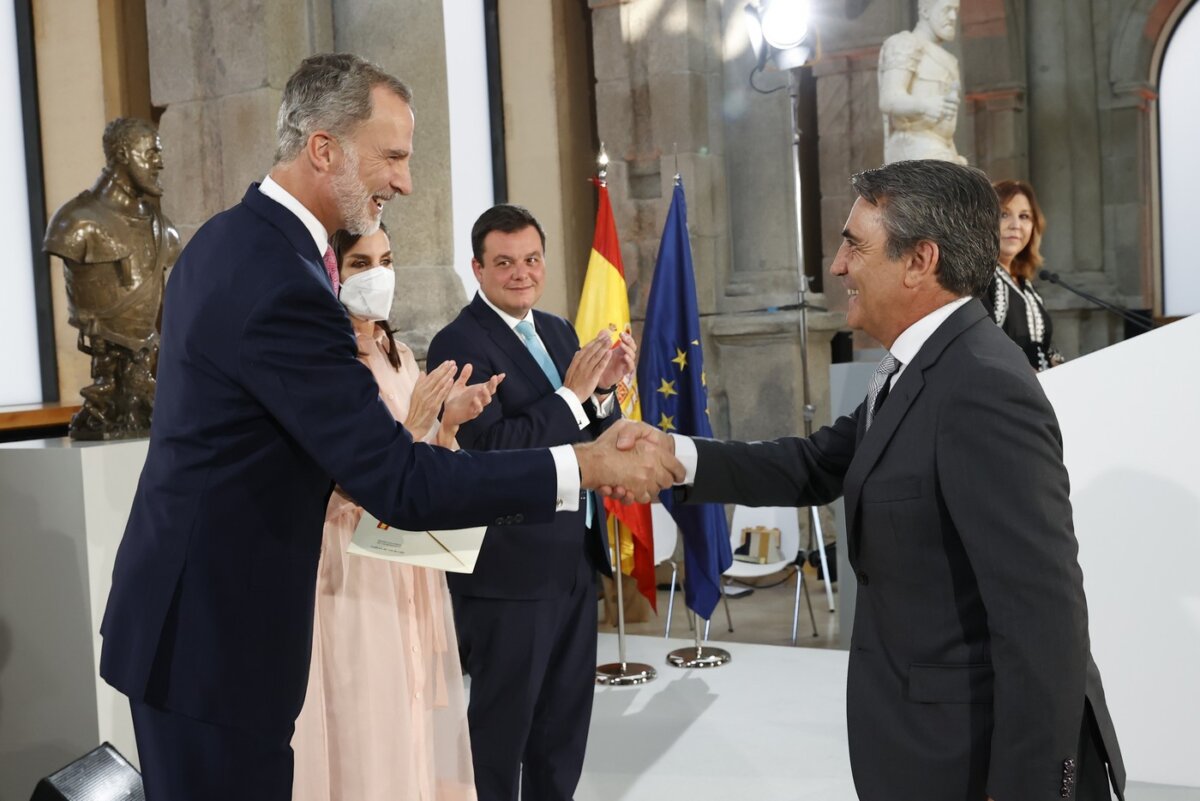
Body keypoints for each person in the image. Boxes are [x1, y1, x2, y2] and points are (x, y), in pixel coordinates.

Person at [97, 53, 681, 801]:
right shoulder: (282, 279)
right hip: (218, 642)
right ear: (324, 148)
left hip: (189, 624)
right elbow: (397, 480)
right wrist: (585, 466)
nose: (405, 181)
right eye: (394, 156)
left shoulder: (227, 239)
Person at [623, 160, 1125, 800]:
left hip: (971, 765)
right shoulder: (919, 366)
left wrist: (1028, 790)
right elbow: (814, 464)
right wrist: (674, 454)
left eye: (854, 244)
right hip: (921, 748)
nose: (837, 265)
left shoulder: (983, 387)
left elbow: (1043, 614)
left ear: (920, 260)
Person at [426, 204, 636, 801]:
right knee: (500, 735)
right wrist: (572, 395)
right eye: (505, 263)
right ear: (478, 268)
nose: (521, 273)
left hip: (573, 557)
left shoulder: (557, 331)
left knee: (562, 728)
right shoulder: (458, 341)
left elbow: (592, 436)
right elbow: (488, 451)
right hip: (509, 570)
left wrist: (605, 391)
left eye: (532, 259)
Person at [292, 223, 498, 801]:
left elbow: (416, 467)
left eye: (386, 258)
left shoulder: (399, 352)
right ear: (331, 271)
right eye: (361, 263)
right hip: (352, 559)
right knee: (367, 722)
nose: (378, 274)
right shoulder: (324, 361)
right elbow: (336, 475)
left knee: (413, 719)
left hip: (404, 556)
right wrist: (411, 428)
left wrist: (447, 423)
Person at [43, 116, 181, 439]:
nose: (159, 164)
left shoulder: (165, 231)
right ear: (121, 154)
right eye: (150, 154)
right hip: (104, 349)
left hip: (143, 361)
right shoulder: (75, 225)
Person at [982, 179, 1064, 371]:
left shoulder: (1026, 286)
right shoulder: (979, 281)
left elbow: (1046, 349)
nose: (1015, 225)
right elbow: (983, 348)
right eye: (1004, 214)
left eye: (1025, 216)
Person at [878, 0, 967, 165]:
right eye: (947, 10)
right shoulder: (905, 43)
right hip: (914, 145)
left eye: (956, 11)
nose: (953, 17)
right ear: (926, 11)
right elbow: (889, 98)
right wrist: (924, 105)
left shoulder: (950, 59)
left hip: (943, 147)